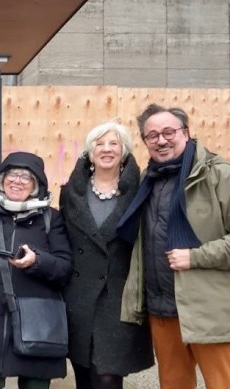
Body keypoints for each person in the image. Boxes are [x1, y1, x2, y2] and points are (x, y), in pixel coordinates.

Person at [117, 103, 230, 389]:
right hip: (163, 312)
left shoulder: (218, 174)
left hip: (215, 313)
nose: (161, 140)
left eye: (169, 131)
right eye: (152, 135)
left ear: (186, 132)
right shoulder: (148, 181)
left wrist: (197, 257)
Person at [0, 151, 73, 389]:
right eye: (11, 174)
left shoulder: (51, 219)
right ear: (1, 179)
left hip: (37, 321)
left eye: (25, 176)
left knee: (35, 386)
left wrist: (38, 261)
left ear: (36, 184)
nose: (17, 181)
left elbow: (64, 267)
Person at [59, 121, 153, 389]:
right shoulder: (70, 192)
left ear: (124, 151)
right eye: (99, 144)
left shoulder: (141, 192)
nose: (106, 149)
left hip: (119, 298)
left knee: (108, 378)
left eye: (114, 143)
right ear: (89, 153)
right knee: (85, 377)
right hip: (79, 298)